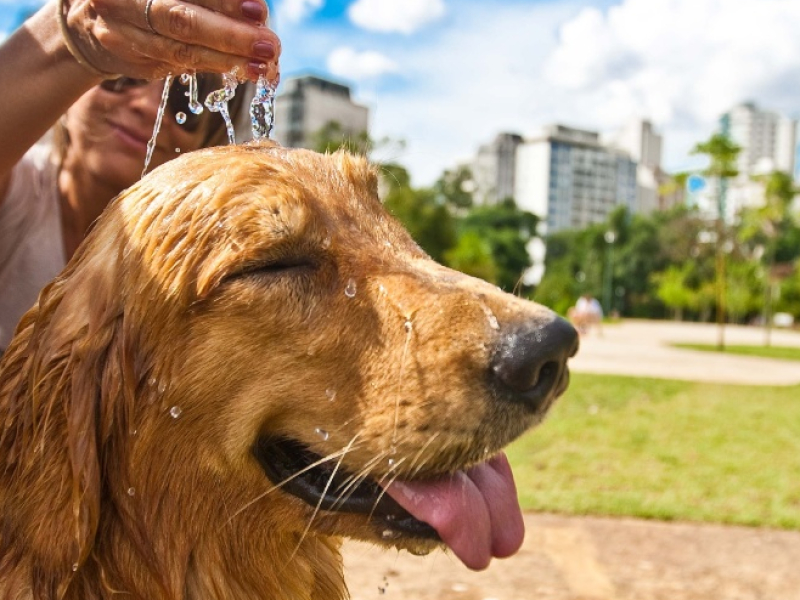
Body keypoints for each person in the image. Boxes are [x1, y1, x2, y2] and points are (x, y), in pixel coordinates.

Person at [0, 0, 281, 352]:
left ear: (208, 140)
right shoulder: (18, 193)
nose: (148, 106)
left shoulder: (208, 266)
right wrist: (76, 34)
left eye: (184, 101)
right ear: (65, 91)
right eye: (122, 74)